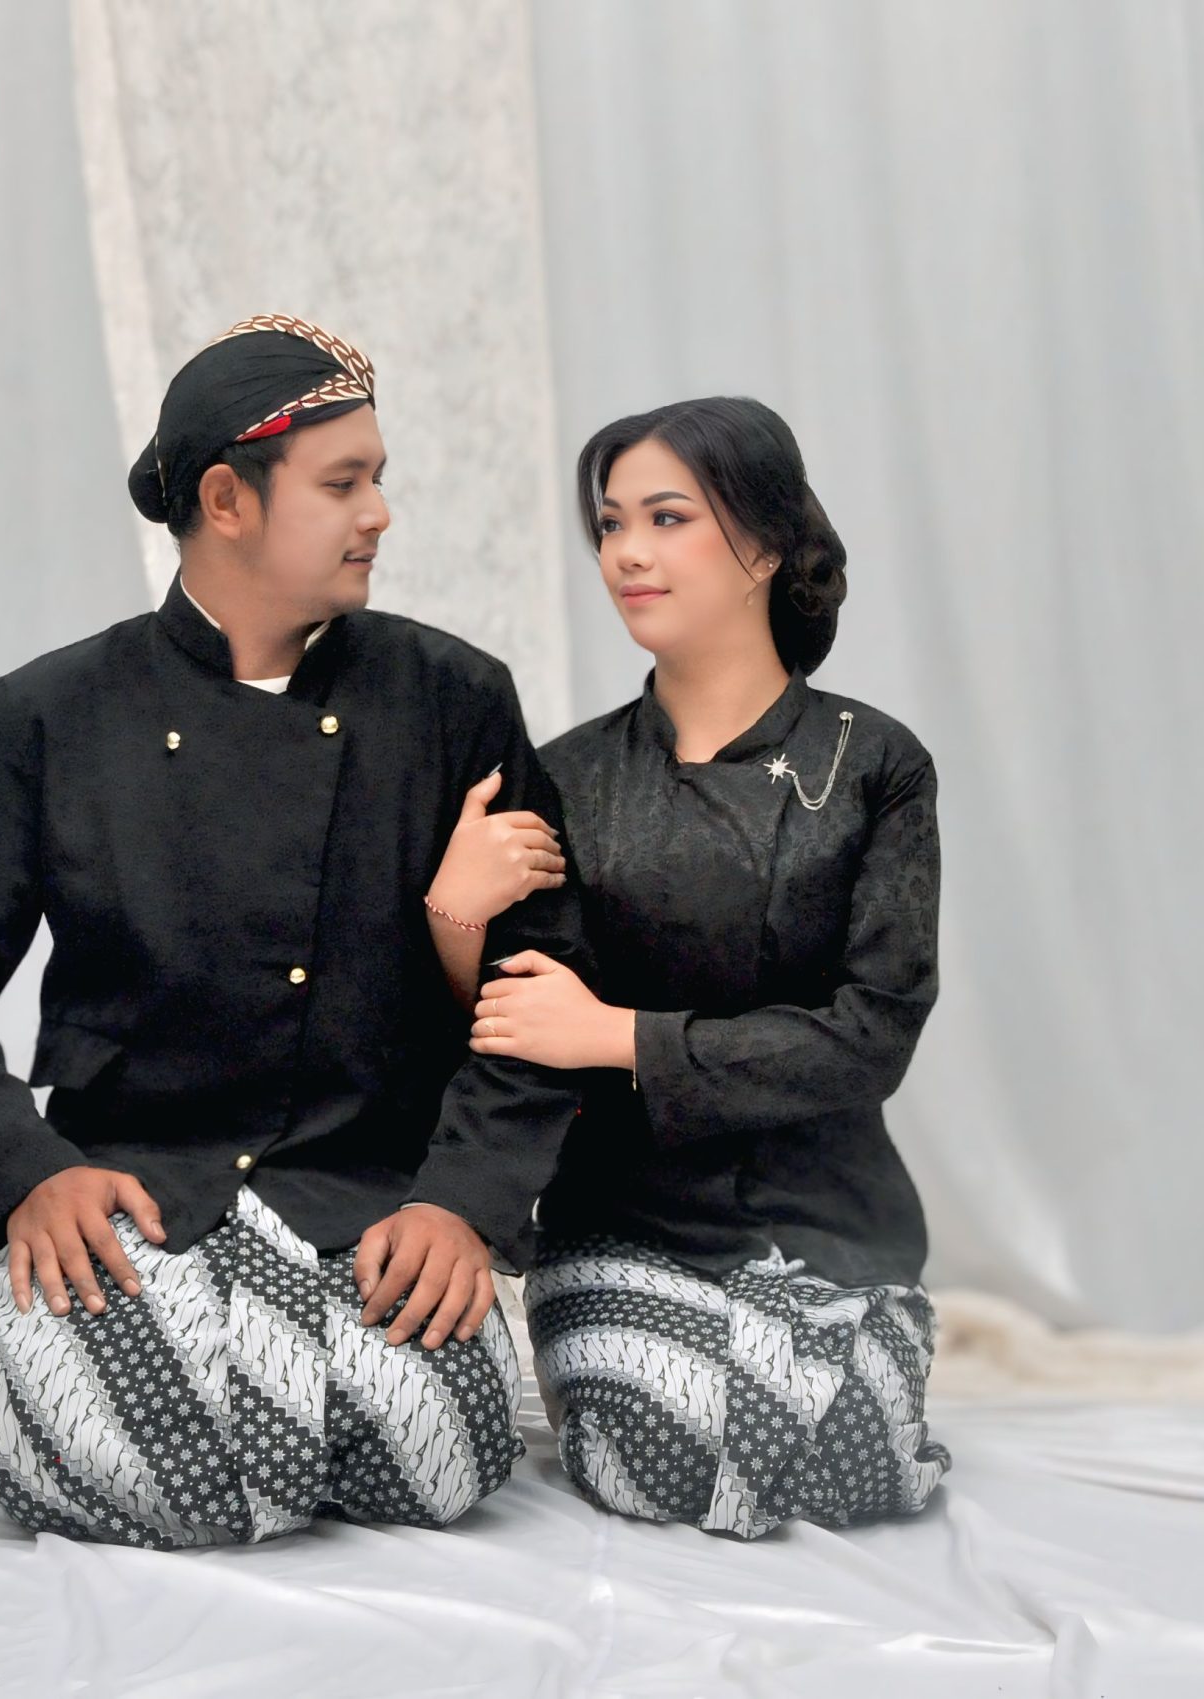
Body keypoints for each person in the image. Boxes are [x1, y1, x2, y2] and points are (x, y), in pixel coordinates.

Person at [0, 315, 590, 1549]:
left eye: (378, 479)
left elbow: (541, 980)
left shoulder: (453, 698)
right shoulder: (54, 713)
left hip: (369, 1202)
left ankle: (226, 1424)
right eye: (342, 484)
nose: (379, 514)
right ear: (226, 500)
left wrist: (462, 1203)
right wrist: (25, 1174)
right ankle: (226, 1424)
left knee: (438, 1448)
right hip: (138, 1202)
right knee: (112, 1435)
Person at [428, 395, 952, 1539]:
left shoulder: (875, 764)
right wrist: (453, 916)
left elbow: (873, 1034)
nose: (626, 552)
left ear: (763, 544)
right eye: (611, 524)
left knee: (848, 1457)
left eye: (665, 518)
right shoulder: (563, 779)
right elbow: (504, 1030)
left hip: (832, 1222)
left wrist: (618, 1035)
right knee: (667, 1449)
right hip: (624, 1221)